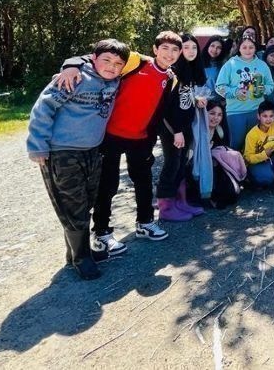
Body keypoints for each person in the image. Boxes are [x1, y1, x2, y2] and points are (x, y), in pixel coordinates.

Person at [55, 31, 181, 253]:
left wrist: (174, 132)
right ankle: (102, 233)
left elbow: (163, 110)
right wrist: (71, 65)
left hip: (141, 138)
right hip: (110, 135)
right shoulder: (136, 61)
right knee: (107, 185)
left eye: (174, 50)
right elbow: (96, 57)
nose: (169, 54)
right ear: (155, 49)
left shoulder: (172, 78)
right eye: (164, 48)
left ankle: (145, 223)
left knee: (143, 182)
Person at [27, 39, 129, 280]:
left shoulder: (113, 81)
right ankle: (81, 257)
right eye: (106, 60)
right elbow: (43, 108)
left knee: (86, 201)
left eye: (118, 63)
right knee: (72, 204)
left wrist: (74, 61)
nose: (112, 66)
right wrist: (37, 146)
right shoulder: (74, 77)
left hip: (92, 151)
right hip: (62, 152)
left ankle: (76, 252)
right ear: (93, 59)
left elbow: (140, 58)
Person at [155, 33, 206, 221]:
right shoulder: (173, 72)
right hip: (172, 127)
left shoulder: (190, 70)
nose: (191, 51)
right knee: (172, 163)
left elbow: (184, 97)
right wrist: (176, 131)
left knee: (182, 163)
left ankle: (180, 201)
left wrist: (196, 99)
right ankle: (165, 207)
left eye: (194, 47)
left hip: (185, 125)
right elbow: (166, 106)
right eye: (186, 47)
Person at [215, 36, 274, 150]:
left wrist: (264, 90)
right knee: (236, 144)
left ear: (255, 48)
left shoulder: (262, 65)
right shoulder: (230, 64)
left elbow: (270, 86)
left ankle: (253, 167)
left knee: (256, 145)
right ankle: (234, 167)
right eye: (244, 47)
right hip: (235, 112)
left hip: (257, 111)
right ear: (239, 48)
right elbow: (219, 87)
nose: (248, 50)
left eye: (251, 47)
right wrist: (235, 92)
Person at [189, 101, 245, 209]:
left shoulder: (219, 131)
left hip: (217, 167)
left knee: (231, 193)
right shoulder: (195, 131)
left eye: (219, 115)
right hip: (196, 170)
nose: (216, 118)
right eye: (212, 113)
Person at [243, 101, 274, 191]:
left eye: (271, 116)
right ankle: (252, 179)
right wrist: (264, 154)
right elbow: (248, 158)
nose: (268, 119)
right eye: (265, 116)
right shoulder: (252, 134)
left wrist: (270, 144)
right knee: (267, 178)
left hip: (269, 159)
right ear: (258, 116)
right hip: (256, 162)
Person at [202, 35, 228, 102]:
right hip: (199, 101)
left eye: (218, 48)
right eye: (212, 46)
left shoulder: (224, 66)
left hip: (216, 103)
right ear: (208, 46)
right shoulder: (198, 62)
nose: (215, 50)